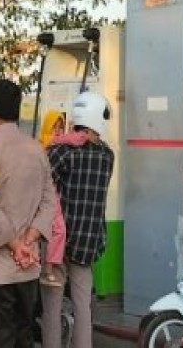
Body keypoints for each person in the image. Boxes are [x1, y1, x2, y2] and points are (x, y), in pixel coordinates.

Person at [0, 79, 57, 348]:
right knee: (23, 339)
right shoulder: (37, 150)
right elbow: (49, 201)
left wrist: (15, 245)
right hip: (27, 272)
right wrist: (29, 241)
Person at [41, 92, 115, 348]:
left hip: (58, 243)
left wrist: (59, 140)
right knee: (83, 307)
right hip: (88, 242)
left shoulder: (62, 151)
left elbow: (41, 177)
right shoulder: (108, 156)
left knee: (52, 305)